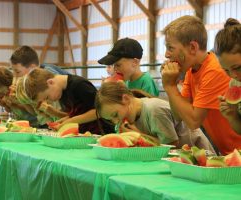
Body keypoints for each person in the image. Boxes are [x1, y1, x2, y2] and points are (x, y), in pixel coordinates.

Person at [160, 15, 241, 155]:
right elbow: (178, 115)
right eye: (228, 70)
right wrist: (171, 85)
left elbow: (193, 122)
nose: (166, 54)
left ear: (192, 47)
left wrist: (170, 87)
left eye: (170, 48)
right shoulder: (192, 71)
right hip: (230, 154)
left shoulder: (213, 70)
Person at [95, 82, 215, 151]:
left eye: (115, 115)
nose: (116, 122)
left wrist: (138, 135)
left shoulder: (154, 110)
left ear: (126, 99)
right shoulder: (133, 116)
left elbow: (170, 146)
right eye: (110, 120)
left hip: (199, 157)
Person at [20, 68, 113, 134]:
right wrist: (62, 122)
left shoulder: (79, 85)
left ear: (50, 82)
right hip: (86, 135)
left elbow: (99, 111)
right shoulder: (62, 93)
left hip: (102, 132)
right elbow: (79, 113)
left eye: (47, 97)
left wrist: (70, 121)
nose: (49, 100)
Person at [10, 45, 68, 120]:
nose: (15, 76)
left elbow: (65, 114)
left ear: (32, 68)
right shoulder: (36, 83)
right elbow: (38, 114)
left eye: (18, 72)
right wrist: (24, 100)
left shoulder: (49, 77)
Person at [214, 18, 241, 134]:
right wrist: (233, 116)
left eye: (238, 68)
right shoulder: (234, 83)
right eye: (226, 70)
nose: (233, 75)